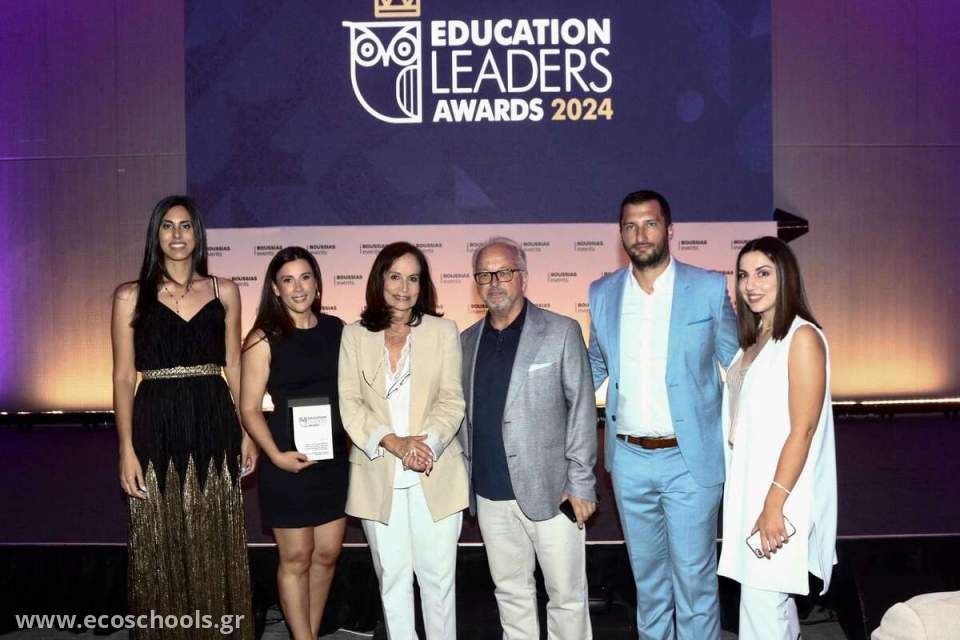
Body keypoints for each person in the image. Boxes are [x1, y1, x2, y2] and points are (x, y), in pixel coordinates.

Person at [587, 190, 738, 639]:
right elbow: (593, 366)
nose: (640, 234)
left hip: (690, 461)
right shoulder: (602, 293)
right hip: (628, 461)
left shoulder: (708, 288)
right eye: (630, 226)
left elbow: (738, 366)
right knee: (648, 583)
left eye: (650, 223)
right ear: (621, 235)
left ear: (669, 230)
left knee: (695, 582)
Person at [112, 195, 255, 638]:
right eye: (168, 226)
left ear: (198, 234)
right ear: (155, 235)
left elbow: (235, 364)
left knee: (214, 535)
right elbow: (122, 377)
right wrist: (125, 449)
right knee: (159, 539)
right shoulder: (129, 296)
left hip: (214, 419)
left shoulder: (224, 290)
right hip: (155, 422)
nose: (177, 235)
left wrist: (249, 431)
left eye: (185, 225)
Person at [458, 237, 598, 640]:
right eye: (484, 275)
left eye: (503, 272)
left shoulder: (561, 331)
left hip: (554, 493)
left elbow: (582, 410)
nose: (494, 283)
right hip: (489, 494)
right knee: (510, 593)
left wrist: (581, 483)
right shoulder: (466, 342)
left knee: (566, 596)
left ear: (523, 277)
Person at [338, 241, 468, 639]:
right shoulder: (354, 335)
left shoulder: (443, 331)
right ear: (380, 280)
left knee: (438, 582)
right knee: (392, 580)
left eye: (413, 278)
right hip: (378, 474)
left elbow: (452, 400)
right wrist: (394, 442)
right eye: (395, 276)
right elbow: (350, 403)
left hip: (434, 472)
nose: (404, 288)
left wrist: (425, 446)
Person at [718, 236, 837, 640]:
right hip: (750, 488)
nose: (750, 284)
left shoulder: (802, 337)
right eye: (743, 275)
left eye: (763, 273)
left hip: (780, 493)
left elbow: (804, 428)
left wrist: (774, 504)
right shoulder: (755, 341)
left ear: (785, 277)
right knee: (772, 603)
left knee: (761, 605)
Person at [239, 247, 348, 640]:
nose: (298, 287)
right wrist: (274, 456)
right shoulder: (262, 338)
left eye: (305, 277)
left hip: (333, 458)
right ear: (275, 288)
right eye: (288, 280)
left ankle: (309, 633)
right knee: (297, 556)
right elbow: (249, 408)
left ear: (317, 283)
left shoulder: (338, 330)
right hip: (286, 457)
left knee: (327, 554)